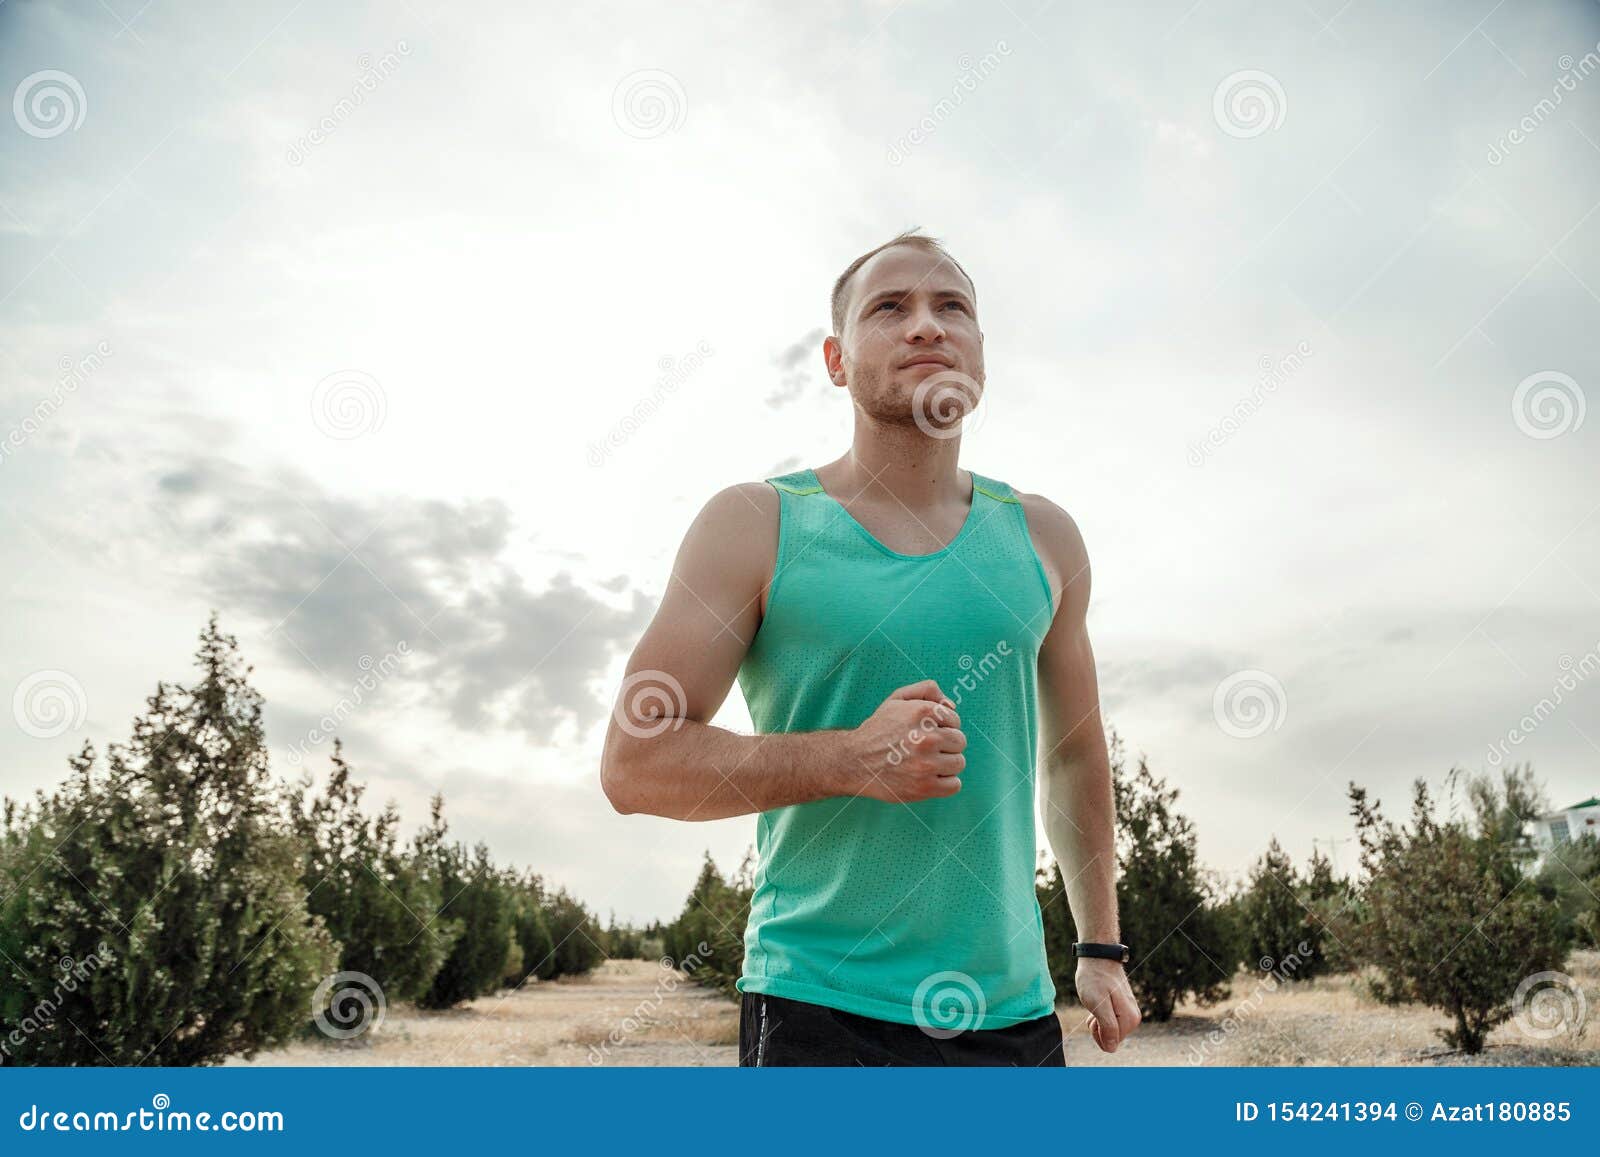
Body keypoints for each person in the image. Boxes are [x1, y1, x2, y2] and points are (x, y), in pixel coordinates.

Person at [601, 229, 1140, 1066]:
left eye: (951, 306)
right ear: (836, 358)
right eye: (890, 307)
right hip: (820, 1005)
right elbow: (635, 765)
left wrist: (1099, 947)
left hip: (1011, 1017)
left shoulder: (1046, 539)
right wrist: (849, 758)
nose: (927, 325)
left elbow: (1072, 757)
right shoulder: (755, 523)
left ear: (981, 354)